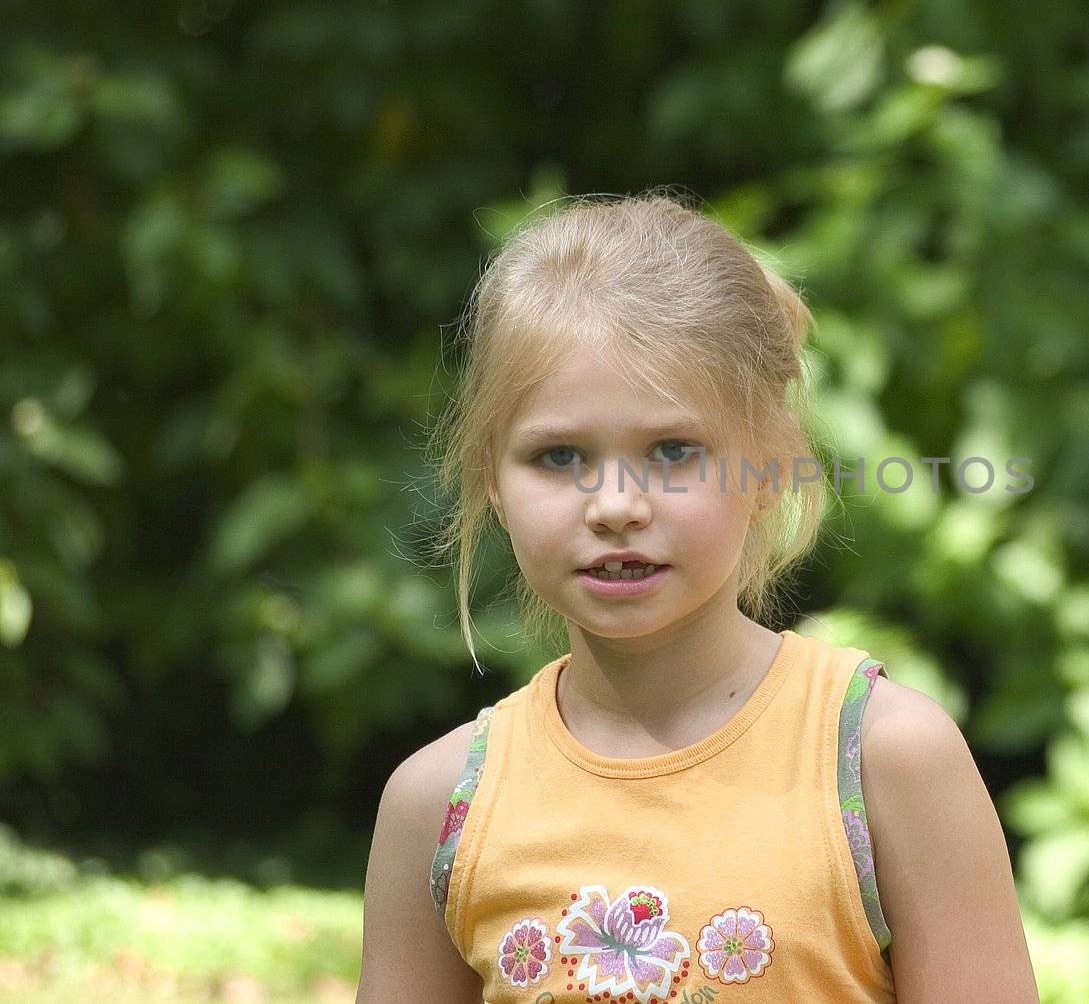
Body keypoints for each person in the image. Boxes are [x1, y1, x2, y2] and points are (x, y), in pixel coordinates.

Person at [356, 190, 1039, 1003]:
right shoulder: (438, 808)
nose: (614, 504)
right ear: (491, 480)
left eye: (673, 450)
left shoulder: (883, 759)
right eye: (559, 455)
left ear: (770, 465)